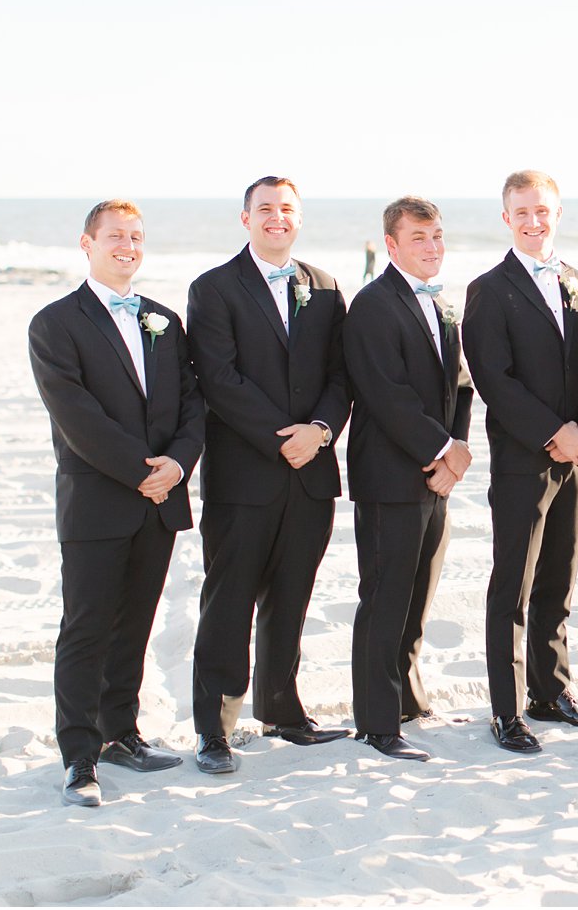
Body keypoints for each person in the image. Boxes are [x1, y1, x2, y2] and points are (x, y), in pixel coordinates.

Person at [28, 199, 205, 806]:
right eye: (115, 236)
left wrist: (177, 464)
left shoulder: (162, 319)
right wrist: (140, 473)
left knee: (135, 623)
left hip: (159, 499)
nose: (127, 245)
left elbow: (191, 403)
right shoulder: (54, 323)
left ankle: (121, 733)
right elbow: (77, 416)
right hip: (98, 502)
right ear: (88, 244)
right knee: (86, 628)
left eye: (136, 236)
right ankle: (80, 755)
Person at [186, 176, 351, 774]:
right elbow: (218, 379)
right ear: (245, 218)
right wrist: (285, 438)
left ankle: (283, 710)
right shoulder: (213, 288)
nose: (276, 218)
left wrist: (322, 431)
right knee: (228, 602)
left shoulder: (326, 286)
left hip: (312, 472)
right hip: (245, 475)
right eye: (265, 209)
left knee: (292, 598)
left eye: (286, 209)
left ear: (298, 218)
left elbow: (342, 374)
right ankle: (214, 730)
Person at [462, 171, 578, 754]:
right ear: (506, 218)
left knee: (560, 578)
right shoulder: (488, 289)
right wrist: (552, 433)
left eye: (542, 210)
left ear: (558, 212)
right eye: (521, 212)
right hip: (523, 457)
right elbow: (494, 379)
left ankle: (551, 692)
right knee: (512, 585)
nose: (533, 221)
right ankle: (507, 711)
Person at [344, 196, 474, 761]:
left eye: (437, 236)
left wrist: (456, 452)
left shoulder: (441, 302)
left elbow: (460, 385)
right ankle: (376, 723)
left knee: (419, 594)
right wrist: (443, 449)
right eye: (419, 238)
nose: (432, 247)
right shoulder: (372, 306)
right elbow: (385, 394)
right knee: (385, 598)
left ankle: (407, 699)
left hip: (435, 475)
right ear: (391, 246)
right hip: (390, 477)